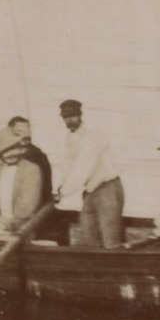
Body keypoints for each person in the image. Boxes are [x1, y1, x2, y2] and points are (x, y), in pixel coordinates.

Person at [53, 99, 125, 248]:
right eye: (66, 117)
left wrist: (64, 191)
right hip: (90, 191)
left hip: (108, 189)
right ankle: (96, 270)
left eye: (73, 116)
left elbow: (82, 168)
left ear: (80, 115)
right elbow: (68, 164)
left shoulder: (93, 137)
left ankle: (114, 269)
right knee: (88, 236)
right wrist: (61, 186)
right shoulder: (70, 138)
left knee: (110, 240)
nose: (70, 120)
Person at [0, 126, 46, 237]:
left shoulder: (31, 169)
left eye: (13, 150)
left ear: (20, 150)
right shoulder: (0, 169)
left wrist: (7, 225)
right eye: (5, 152)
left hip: (20, 228)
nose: (10, 155)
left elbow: (27, 206)